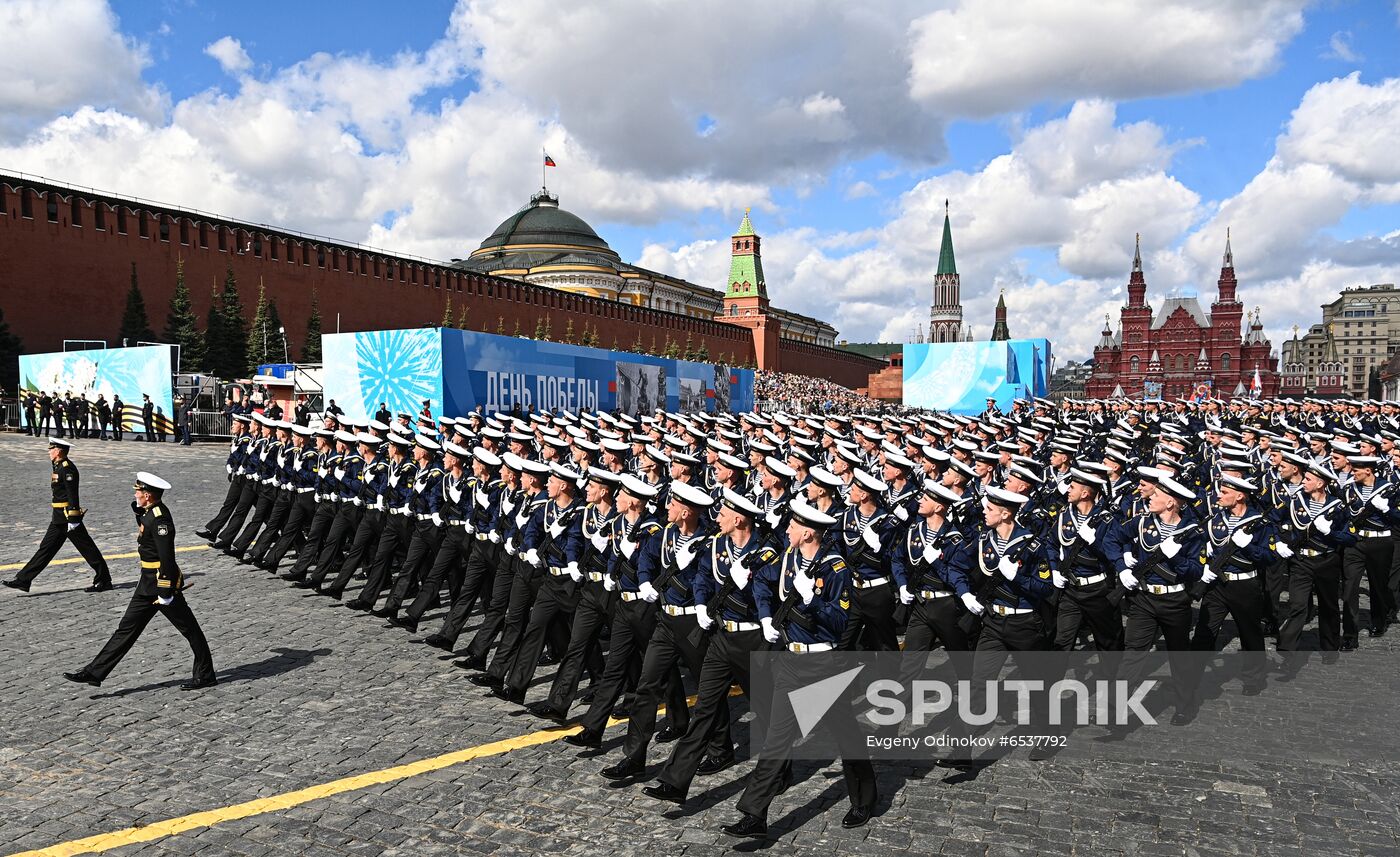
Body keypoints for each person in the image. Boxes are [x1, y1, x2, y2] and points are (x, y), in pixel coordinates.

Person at [63, 472, 216, 690]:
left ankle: (205, 674)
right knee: (126, 629)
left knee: (190, 630)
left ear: (148, 495)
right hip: (146, 584)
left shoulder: (160, 519)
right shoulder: (149, 512)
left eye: (138, 491)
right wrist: (139, 513)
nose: (135, 494)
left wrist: (165, 591)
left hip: (161, 585)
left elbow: (167, 558)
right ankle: (95, 672)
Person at [4, 439, 112, 593]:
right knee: (46, 549)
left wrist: (74, 519)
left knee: (87, 549)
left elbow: (72, 495)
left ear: (59, 451)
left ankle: (104, 580)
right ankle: (23, 580)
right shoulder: (58, 466)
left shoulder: (68, 469)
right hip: (58, 518)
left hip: (68, 518)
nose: (49, 452)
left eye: (51, 449)